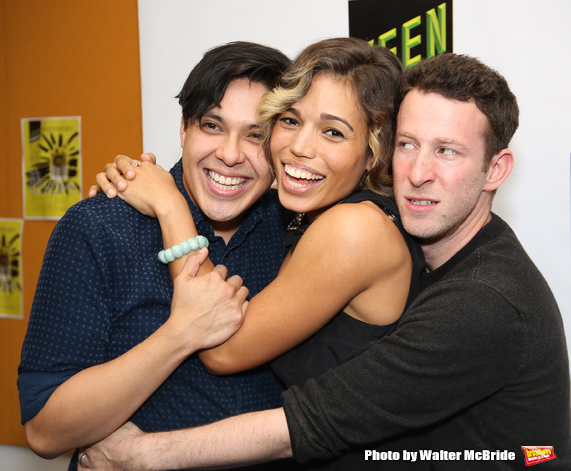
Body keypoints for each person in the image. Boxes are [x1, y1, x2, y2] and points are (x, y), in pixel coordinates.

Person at [78, 53, 571, 470]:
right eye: (409, 145)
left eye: (447, 151)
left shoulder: (479, 296)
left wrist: (140, 456)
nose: (419, 172)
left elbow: (284, 405)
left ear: (496, 169)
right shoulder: (344, 227)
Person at [86, 37, 425, 470]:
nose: (300, 147)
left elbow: (221, 347)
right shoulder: (300, 215)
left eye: (333, 132)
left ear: (372, 154)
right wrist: (129, 176)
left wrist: (169, 205)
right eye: (290, 120)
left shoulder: (354, 229)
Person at [17, 41, 293, 471]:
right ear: (184, 128)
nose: (231, 154)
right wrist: (180, 334)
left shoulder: (297, 233)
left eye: (256, 135)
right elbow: (45, 430)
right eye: (213, 125)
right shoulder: (100, 228)